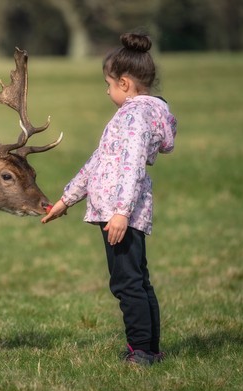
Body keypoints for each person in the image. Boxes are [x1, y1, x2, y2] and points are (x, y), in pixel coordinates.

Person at [41, 32, 177, 366]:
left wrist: (120, 213)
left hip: (122, 216)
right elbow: (98, 163)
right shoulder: (136, 116)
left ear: (126, 83)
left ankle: (141, 350)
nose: (107, 91)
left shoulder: (132, 118)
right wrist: (66, 200)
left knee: (127, 283)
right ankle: (149, 349)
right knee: (137, 281)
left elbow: (129, 167)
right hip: (123, 213)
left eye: (108, 84)